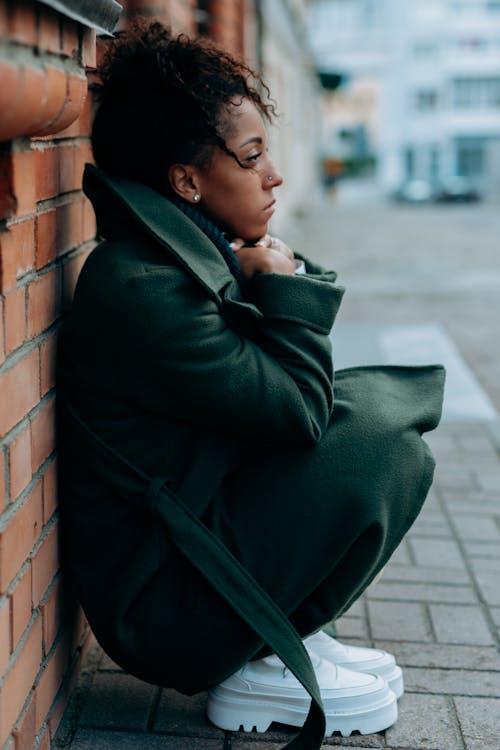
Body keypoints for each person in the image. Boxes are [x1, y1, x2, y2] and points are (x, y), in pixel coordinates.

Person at [56, 21, 445, 749]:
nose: (276, 176)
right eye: (253, 155)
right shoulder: (144, 289)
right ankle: (251, 650)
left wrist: (275, 270)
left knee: (378, 411)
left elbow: (288, 398)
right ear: (187, 181)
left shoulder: (182, 256)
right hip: (165, 603)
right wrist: (285, 287)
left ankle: (281, 629)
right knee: (377, 446)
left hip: (192, 538)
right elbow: (297, 408)